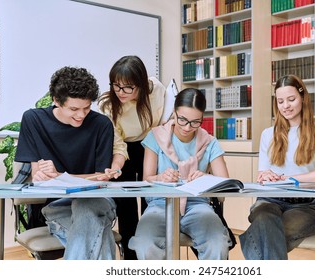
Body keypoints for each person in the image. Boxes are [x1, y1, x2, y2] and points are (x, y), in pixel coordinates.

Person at [15, 66, 117, 260]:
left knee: (86, 209)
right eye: (74, 109)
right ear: (56, 101)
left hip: (97, 202)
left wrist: (61, 177)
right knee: (100, 237)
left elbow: (102, 180)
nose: (81, 115)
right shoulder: (34, 120)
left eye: (86, 108)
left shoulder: (102, 125)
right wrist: (43, 176)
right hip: (58, 207)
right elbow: (39, 178)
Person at [128, 88, 232, 260]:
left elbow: (224, 190)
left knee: (217, 244)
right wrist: (160, 177)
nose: (187, 127)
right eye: (182, 119)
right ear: (174, 113)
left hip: (198, 205)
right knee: (144, 244)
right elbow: (147, 179)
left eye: (195, 122)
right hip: (159, 205)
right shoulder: (155, 137)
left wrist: (206, 179)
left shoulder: (210, 142)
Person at [239, 74, 315, 260]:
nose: (285, 106)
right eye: (280, 101)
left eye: (291, 99)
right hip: (269, 200)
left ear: (303, 97)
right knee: (265, 220)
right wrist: (266, 176)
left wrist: (290, 178)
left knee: (262, 233)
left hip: (306, 206)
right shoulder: (267, 135)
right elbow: (261, 176)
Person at [98, 55, 166, 260]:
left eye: (127, 87)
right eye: (116, 86)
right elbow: (117, 141)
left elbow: (165, 120)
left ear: (141, 84)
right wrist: (117, 165)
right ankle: (130, 260)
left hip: (151, 144)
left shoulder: (157, 90)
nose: (120, 92)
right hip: (124, 149)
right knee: (126, 206)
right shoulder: (107, 103)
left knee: (150, 202)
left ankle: (151, 256)